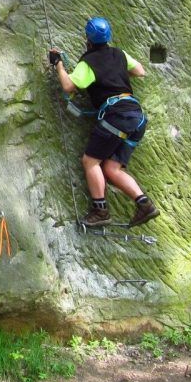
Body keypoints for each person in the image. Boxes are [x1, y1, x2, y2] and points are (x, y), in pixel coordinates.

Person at [48, 16, 159, 228]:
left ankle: (100, 211)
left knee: (91, 162)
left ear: (87, 40)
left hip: (116, 117)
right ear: (109, 37)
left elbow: (69, 86)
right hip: (136, 117)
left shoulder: (88, 62)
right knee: (111, 168)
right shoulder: (119, 54)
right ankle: (144, 205)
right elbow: (140, 71)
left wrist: (58, 64)